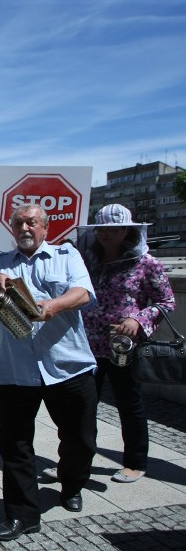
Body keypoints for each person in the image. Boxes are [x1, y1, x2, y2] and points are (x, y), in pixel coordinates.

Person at [0, 203, 98, 542]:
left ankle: (72, 482)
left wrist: (54, 305)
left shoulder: (65, 254)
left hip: (68, 367)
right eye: (19, 223)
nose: (25, 228)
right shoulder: (0, 260)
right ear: (12, 229)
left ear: (45, 228)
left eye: (32, 222)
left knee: (81, 439)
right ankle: (22, 515)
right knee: (14, 445)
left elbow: (83, 292)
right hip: (16, 372)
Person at [73, 204, 175, 483]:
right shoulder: (86, 260)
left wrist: (139, 320)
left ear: (128, 230)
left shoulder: (146, 263)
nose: (107, 235)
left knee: (129, 404)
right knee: (82, 406)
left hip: (123, 347)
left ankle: (135, 462)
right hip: (86, 345)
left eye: (114, 229)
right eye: (102, 230)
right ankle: (77, 462)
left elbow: (167, 302)